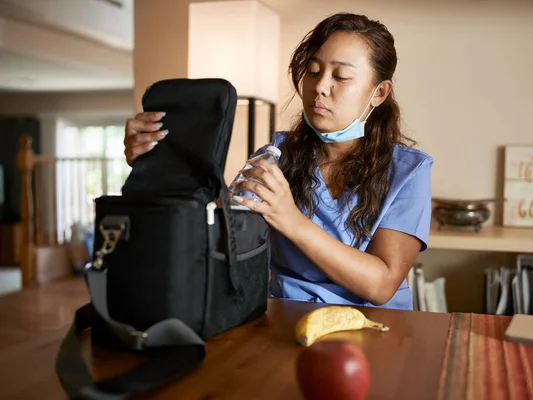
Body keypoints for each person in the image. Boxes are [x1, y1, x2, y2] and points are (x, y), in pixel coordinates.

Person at [123, 12, 433, 310]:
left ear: (379, 93)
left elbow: (381, 286)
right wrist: (160, 166)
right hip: (281, 317)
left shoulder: (408, 172)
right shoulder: (276, 154)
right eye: (313, 71)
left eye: (341, 76)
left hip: (375, 328)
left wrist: (291, 219)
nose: (321, 87)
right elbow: (224, 233)